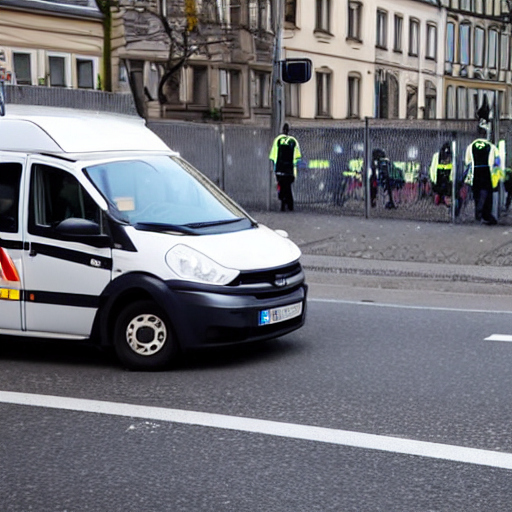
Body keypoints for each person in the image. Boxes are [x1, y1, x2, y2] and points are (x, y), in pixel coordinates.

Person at [464, 132, 501, 225]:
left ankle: (478, 214)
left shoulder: (470, 146)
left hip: (475, 173)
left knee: (477, 194)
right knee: (487, 195)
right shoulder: (491, 146)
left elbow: (467, 161)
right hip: (487, 172)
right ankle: (486, 215)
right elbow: (498, 161)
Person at [269, 123, 302, 211]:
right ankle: (290, 204)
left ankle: (283, 202)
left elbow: (273, 156)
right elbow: (297, 157)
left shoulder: (278, 140)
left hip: (279, 169)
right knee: (288, 187)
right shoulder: (293, 141)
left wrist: (274, 167)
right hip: (290, 170)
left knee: (281, 185)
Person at [430, 142, 454, 207]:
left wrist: (451, 180)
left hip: (447, 178)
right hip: (439, 178)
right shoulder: (436, 156)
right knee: (438, 190)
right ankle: (438, 198)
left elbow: (452, 170)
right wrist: (433, 180)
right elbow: (433, 169)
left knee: (447, 189)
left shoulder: (451, 157)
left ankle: (445, 199)